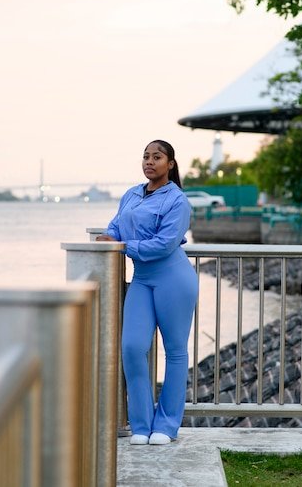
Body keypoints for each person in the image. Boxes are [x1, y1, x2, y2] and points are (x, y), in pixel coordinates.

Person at [97, 139, 198, 445]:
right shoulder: (131, 195)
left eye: (157, 157)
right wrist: (110, 237)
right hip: (141, 280)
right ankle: (141, 425)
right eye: (145, 157)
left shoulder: (178, 201)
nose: (149, 162)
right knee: (131, 347)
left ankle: (166, 426)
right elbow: (116, 226)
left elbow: (166, 244)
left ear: (170, 164)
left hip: (174, 279)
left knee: (176, 352)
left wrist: (126, 246)